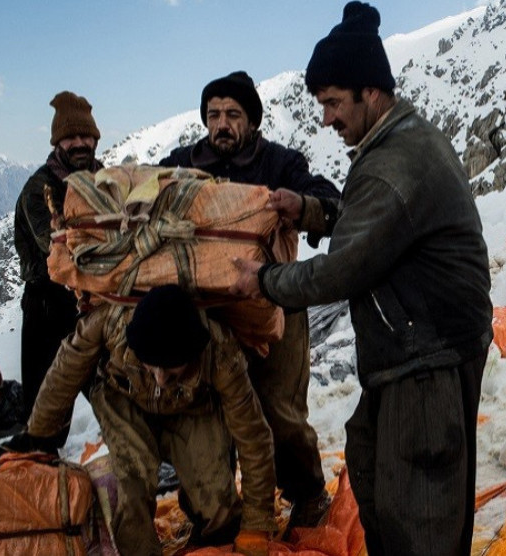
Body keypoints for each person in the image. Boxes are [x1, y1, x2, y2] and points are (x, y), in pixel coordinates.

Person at [228, 3, 493, 554]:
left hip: (428, 356)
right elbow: (378, 226)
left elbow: (340, 271)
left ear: (370, 92)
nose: (326, 118)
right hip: (421, 344)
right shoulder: (396, 141)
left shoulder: (392, 163)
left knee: (419, 506)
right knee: (372, 460)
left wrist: (265, 281)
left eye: (332, 103)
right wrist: (308, 210)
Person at [159, 70, 340, 527]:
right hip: (206, 316)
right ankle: (215, 511)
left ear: (252, 121)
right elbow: (144, 197)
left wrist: (301, 205)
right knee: (207, 415)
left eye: (233, 114)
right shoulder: (180, 164)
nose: (222, 123)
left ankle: (307, 493)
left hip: (274, 307)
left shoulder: (280, 162)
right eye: (214, 114)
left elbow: (329, 201)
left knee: (279, 411)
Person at [5, 285, 277, 556]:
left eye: (171, 367)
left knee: (216, 499)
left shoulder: (221, 354)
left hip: (192, 408)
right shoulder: (108, 323)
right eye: (151, 364)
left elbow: (254, 438)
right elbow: (63, 375)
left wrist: (256, 525)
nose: (160, 377)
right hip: (124, 401)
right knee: (133, 483)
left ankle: (215, 540)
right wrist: (38, 435)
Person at [13, 91, 104, 429]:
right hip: (48, 306)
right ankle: (40, 471)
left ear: (95, 138)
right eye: (70, 137)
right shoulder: (40, 189)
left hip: (95, 300)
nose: (79, 143)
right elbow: (56, 247)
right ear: (57, 143)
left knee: (110, 394)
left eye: (85, 135)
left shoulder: (107, 180)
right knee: (44, 409)